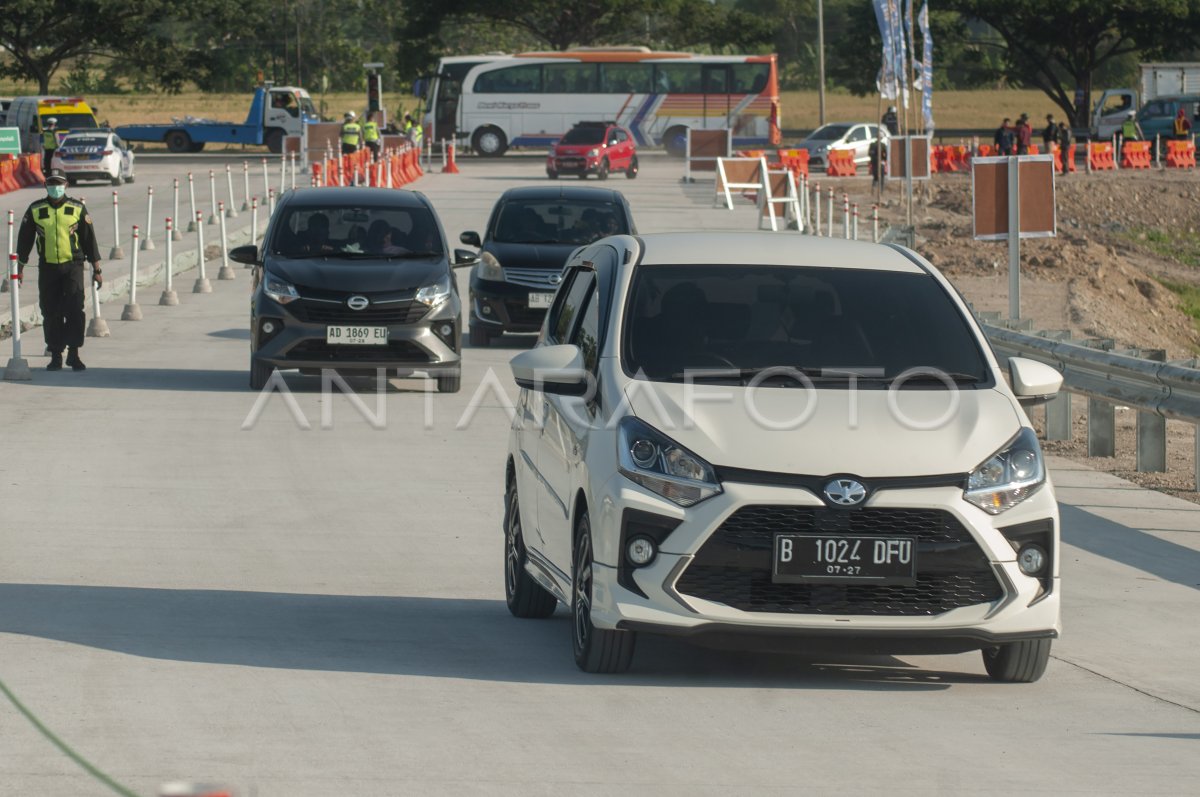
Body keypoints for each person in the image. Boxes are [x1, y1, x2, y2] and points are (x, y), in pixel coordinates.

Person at [14, 169, 102, 371]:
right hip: (48, 268)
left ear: (66, 186)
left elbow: (90, 240)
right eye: (52, 183)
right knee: (50, 311)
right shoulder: (35, 209)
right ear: (46, 185)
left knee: (74, 310)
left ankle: (73, 353)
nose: (55, 187)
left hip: (73, 266)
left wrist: (97, 268)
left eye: (59, 183)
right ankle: (55, 355)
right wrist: (19, 268)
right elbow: (24, 241)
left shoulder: (77, 208)